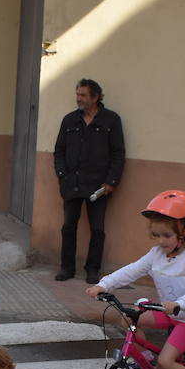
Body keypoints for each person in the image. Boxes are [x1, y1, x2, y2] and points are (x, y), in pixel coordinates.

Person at [86, 190, 185, 369]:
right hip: (166, 310)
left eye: (166, 236)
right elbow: (130, 271)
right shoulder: (156, 255)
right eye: (156, 235)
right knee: (129, 317)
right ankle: (144, 360)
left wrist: (180, 303)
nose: (161, 241)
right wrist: (103, 285)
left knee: (166, 362)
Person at [53, 78, 125, 285]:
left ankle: (92, 270)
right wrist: (61, 175)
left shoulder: (111, 120)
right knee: (68, 226)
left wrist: (111, 181)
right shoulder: (69, 120)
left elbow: (118, 153)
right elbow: (59, 150)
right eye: (77, 94)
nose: (79, 99)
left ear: (96, 97)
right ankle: (66, 268)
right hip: (71, 183)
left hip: (98, 186)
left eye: (83, 95)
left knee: (97, 229)